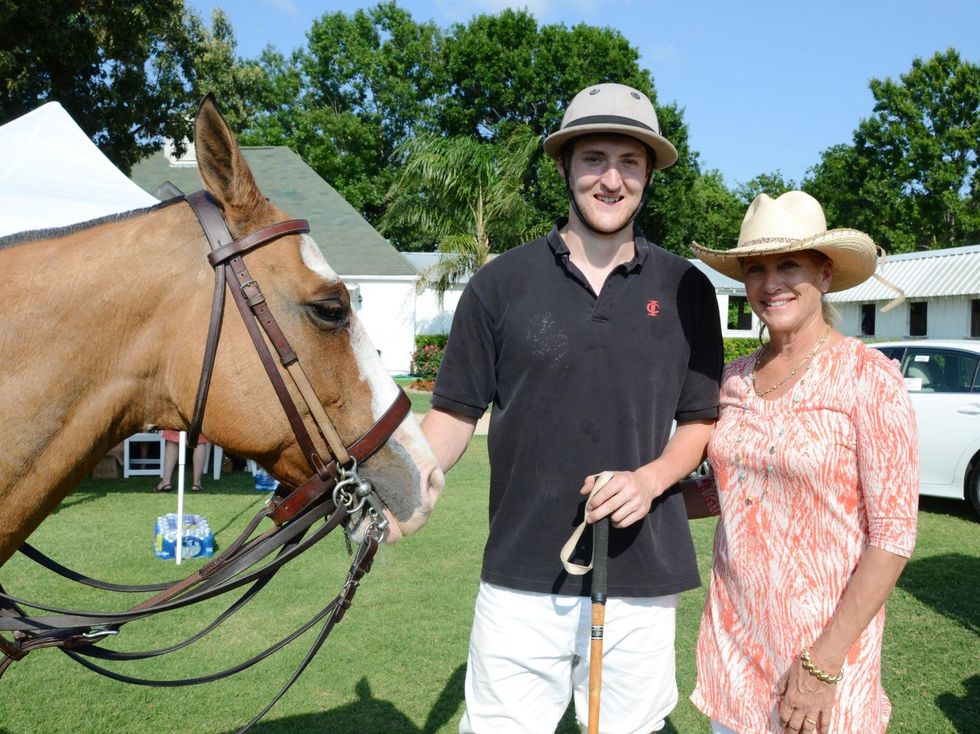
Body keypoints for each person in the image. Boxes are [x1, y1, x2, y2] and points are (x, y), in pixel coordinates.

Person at [421, 82, 723, 733]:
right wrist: (403, 485)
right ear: (564, 165)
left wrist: (649, 480)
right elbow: (452, 415)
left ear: (648, 174)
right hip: (519, 573)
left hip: (641, 571)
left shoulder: (687, 289)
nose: (611, 179)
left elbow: (700, 420)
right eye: (594, 158)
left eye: (630, 162)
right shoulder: (499, 285)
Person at [684, 191, 918, 734]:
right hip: (736, 646)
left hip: (821, 661)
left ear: (826, 274)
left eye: (789, 264)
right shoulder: (734, 378)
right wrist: (642, 494)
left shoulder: (868, 378)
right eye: (756, 268)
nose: (770, 283)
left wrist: (823, 664)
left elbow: (893, 536)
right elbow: (729, 489)